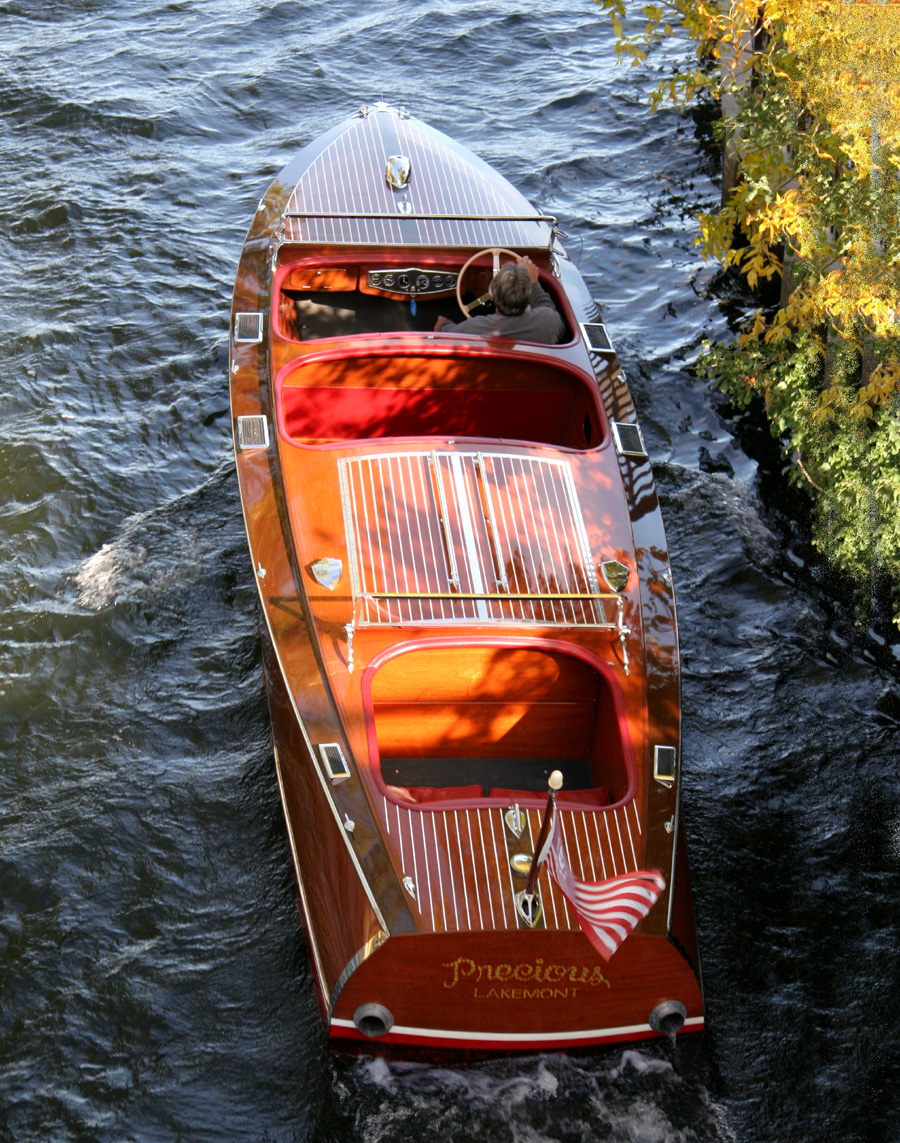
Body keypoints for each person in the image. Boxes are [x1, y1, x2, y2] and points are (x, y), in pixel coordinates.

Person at [434, 256, 564, 344]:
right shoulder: (548, 323)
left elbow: (442, 332)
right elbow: (549, 309)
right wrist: (534, 283)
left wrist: (442, 322)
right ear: (527, 295)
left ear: (493, 294)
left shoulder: (471, 328)